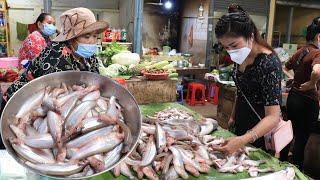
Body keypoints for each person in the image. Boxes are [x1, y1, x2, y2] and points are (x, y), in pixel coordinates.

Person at [213, 4, 282, 155]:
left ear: (250, 36)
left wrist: (244, 139)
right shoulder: (241, 55)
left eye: (234, 45)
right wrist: (232, 116)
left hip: (261, 129)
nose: (231, 52)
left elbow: (273, 116)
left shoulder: (269, 63)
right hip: (241, 122)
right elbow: (240, 90)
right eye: (226, 47)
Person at [5, 7, 108, 100]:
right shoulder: (56, 56)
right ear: (71, 39)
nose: (92, 41)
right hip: (23, 98)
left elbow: (95, 78)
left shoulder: (88, 56)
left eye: (95, 36)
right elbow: (51, 96)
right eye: (86, 36)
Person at [282, 17, 320, 170]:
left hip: (293, 98)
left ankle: (282, 162)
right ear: (318, 37)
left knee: (290, 132)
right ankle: (296, 170)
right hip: (307, 101)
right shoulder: (317, 52)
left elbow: (285, 66)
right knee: (302, 138)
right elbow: (317, 71)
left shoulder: (300, 51)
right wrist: (312, 83)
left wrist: (294, 79)